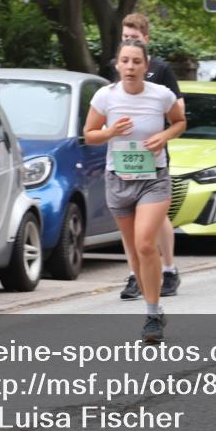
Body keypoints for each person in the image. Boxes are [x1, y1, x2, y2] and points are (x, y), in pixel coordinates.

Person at [85, 39, 186, 342]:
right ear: (117, 64)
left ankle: (152, 315)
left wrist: (164, 136)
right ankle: (153, 309)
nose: (130, 67)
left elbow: (180, 122)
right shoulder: (105, 97)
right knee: (134, 254)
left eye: (136, 62)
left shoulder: (161, 95)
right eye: (125, 61)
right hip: (119, 180)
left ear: (146, 65)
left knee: (145, 244)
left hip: (153, 178)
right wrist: (111, 132)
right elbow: (89, 135)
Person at [109, 14, 185, 301]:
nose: (129, 44)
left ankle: (169, 269)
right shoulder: (115, 70)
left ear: (146, 41)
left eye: (135, 39)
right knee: (131, 223)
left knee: (155, 217)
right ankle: (134, 274)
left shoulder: (161, 71)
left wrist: (162, 135)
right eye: (124, 38)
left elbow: (178, 109)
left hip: (152, 154)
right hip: (122, 157)